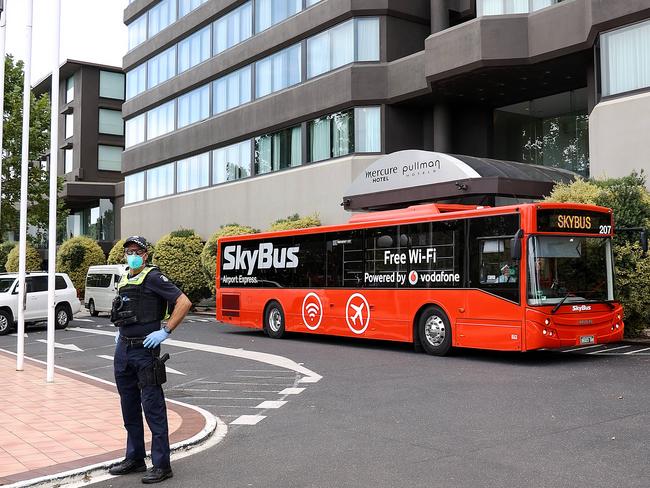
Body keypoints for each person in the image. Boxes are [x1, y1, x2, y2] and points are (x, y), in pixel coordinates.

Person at [109, 236, 192, 484]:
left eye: (137, 251)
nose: (132, 255)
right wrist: (119, 332)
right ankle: (134, 457)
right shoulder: (125, 277)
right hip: (123, 349)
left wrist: (165, 331)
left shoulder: (154, 277)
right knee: (129, 406)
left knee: (153, 407)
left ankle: (161, 464)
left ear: (146, 254)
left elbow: (184, 302)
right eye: (128, 251)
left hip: (145, 350)